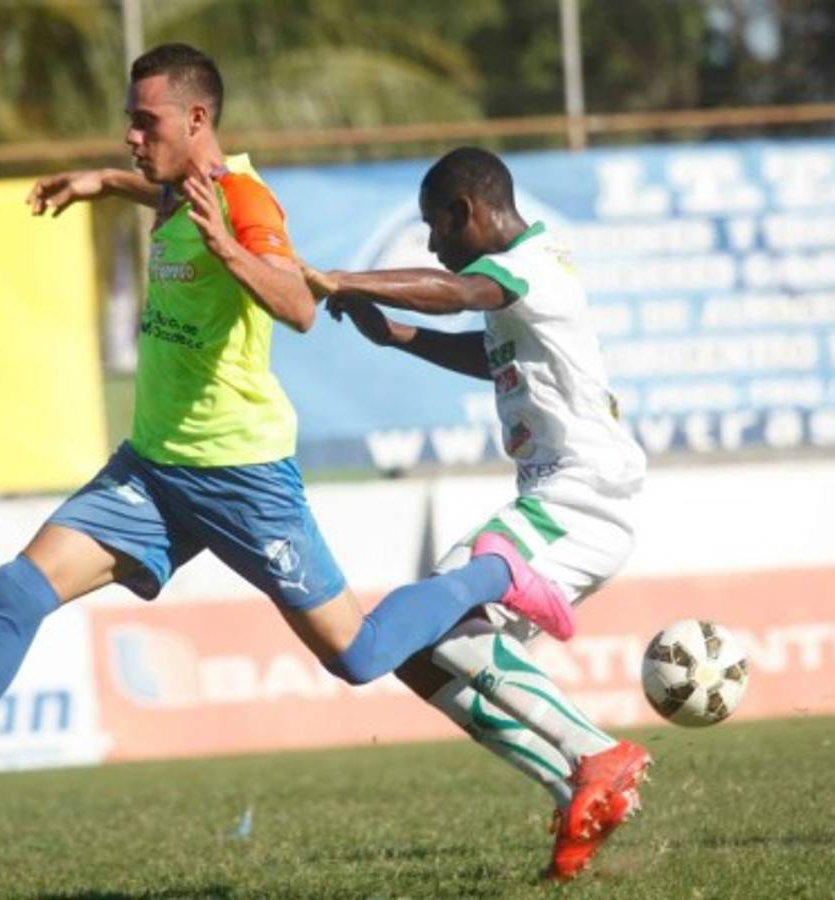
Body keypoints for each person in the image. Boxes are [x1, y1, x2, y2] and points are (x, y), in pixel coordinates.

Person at [0, 47, 569, 837]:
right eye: (128, 124)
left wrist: (233, 250)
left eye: (146, 122)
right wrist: (103, 183)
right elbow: (166, 198)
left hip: (242, 477)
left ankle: (492, 573)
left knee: (358, 657)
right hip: (151, 471)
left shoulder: (245, 201)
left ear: (196, 119)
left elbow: (296, 307)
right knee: (17, 590)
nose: (131, 136)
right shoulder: (184, 192)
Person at [300, 145, 652, 880]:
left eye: (436, 229)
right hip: (562, 499)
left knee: (447, 594)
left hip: (582, 494)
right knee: (422, 657)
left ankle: (594, 752)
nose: (433, 246)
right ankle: (572, 794)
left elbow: (456, 293)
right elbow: (492, 356)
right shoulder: (522, 286)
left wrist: (339, 278)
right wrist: (398, 337)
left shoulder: (532, 265)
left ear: (467, 211)